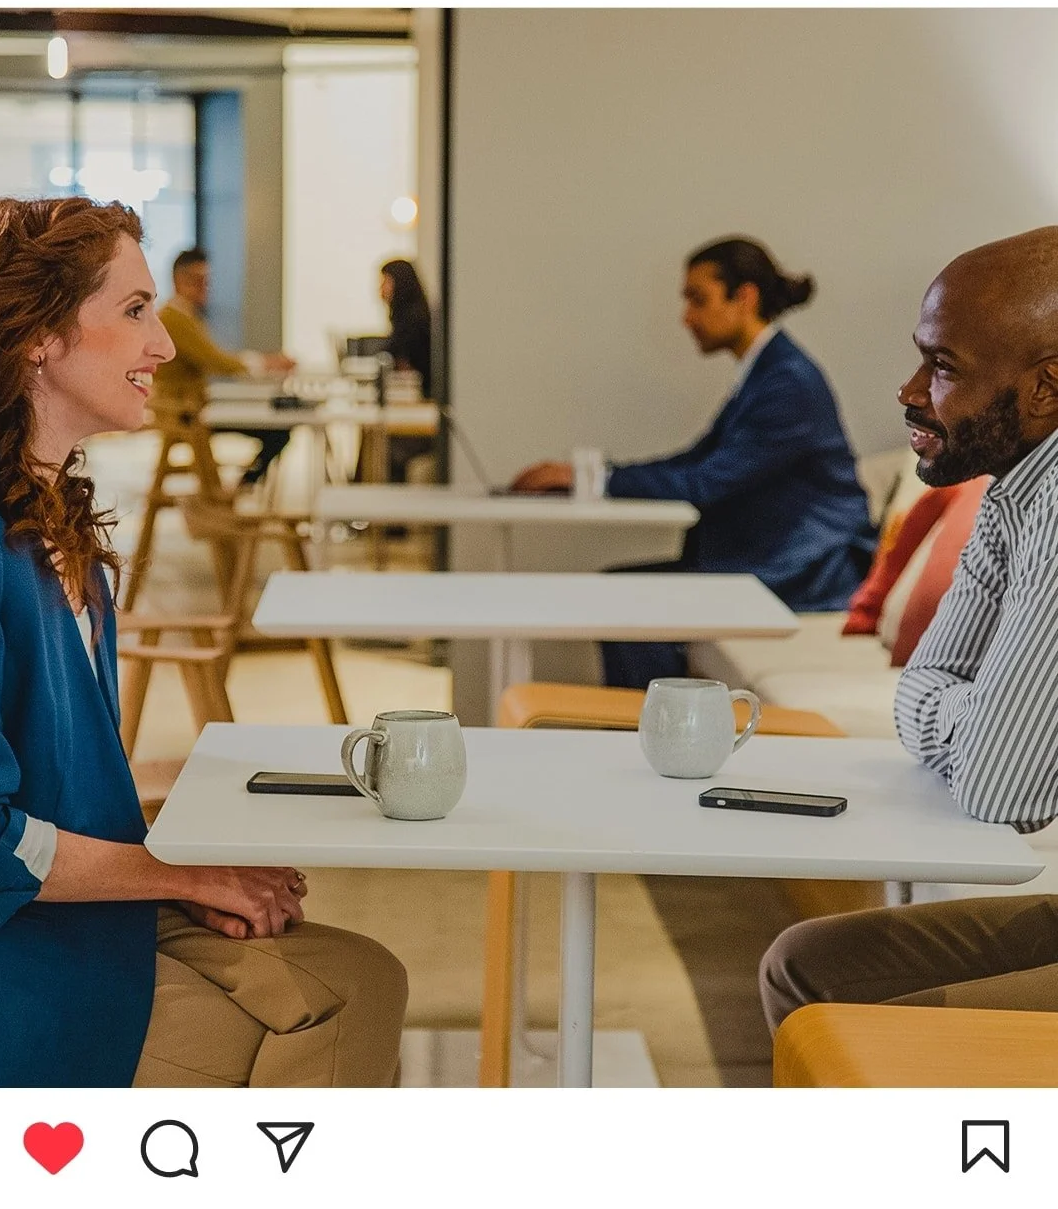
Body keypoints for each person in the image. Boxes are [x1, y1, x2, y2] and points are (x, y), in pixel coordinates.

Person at [0, 196, 407, 1086]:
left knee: (365, 973)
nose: (165, 345)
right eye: (134, 311)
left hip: (66, 906)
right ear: (37, 337)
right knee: (329, 1011)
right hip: (8, 944)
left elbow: (63, 793)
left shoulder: (64, 536)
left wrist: (192, 862)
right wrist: (186, 876)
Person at [760, 225, 1058, 1032]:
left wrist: (979, 716)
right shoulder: (1013, 492)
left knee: (867, 1026)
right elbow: (922, 682)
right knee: (804, 964)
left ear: (1044, 388)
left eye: (943, 367)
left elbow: (1002, 789)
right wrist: (977, 712)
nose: (908, 389)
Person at [511, 237, 875, 689]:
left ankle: (647, 739)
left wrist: (589, 477)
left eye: (698, 300)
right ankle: (644, 736)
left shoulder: (787, 382)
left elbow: (704, 482)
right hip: (770, 555)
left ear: (745, 298)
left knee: (623, 601)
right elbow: (699, 461)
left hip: (804, 569)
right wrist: (589, 475)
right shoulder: (768, 370)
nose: (686, 318)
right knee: (616, 593)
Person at [155, 247, 296, 488]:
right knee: (278, 431)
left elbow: (215, 359)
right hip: (185, 410)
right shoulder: (173, 318)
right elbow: (215, 361)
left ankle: (242, 488)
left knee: (277, 425)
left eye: (206, 281)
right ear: (179, 280)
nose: (205, 287)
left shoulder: (182, 315)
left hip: (192, 405)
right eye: (198, 280)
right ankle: (242, 488)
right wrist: (265, 363)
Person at [379, 257, 435, 484]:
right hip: (417, 405)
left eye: (385, 282)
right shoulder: (410, 316)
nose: (380, 289)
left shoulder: (413, 321)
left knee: (391, 448)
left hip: (420, 408)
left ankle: (391, 516)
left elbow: (403, 366)